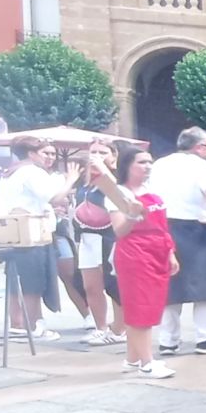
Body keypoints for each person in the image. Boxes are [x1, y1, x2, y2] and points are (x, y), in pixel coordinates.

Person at [92, 146, 177, 379]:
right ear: (128, 165)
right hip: (135, 254)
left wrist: (170, 252)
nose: (147, 166)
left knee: (150, 306)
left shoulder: (152, 190)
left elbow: (163, 225)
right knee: (140, 308)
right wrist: (131, 215)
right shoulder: (118, 194)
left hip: (158, 252)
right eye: (141, 162)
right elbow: (119, 231)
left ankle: (132, 359)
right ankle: (147, 363)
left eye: (150, 162)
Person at [148, 127, 206, 354]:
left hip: (164, 226)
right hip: (197, 228)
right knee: (204, 284)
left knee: (170, 286)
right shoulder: (203, 167)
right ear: (199, 147)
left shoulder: (159, 164)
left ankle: (168, 340)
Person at [0, 136, 75, 341]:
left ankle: (17, 323)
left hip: (12, 232)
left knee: (16, 278)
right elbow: (54, 198)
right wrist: (70, 180)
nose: (47, 157)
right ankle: (35, 325)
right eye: (43, 152)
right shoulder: (32, 172)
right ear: (31, 154)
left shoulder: (9, 173)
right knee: (34, 281)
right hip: (32, 234)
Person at [69, 139, 125, 346]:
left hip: (109, 236)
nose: (97, 156)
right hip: (87, 237)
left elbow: (119, 194)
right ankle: (101, 327)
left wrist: (103, 169)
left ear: (114, 156)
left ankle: (120, 328)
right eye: (93, 152)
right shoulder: (85, 182)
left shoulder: (114, 177)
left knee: (113, 285)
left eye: (103, 152)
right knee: (91, 286)